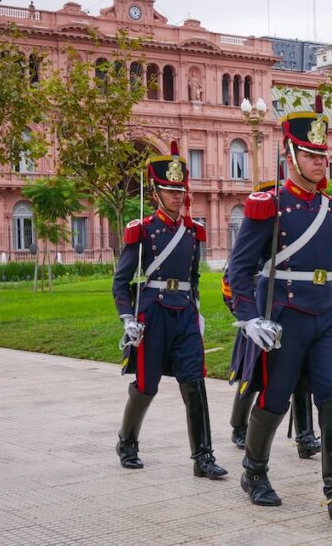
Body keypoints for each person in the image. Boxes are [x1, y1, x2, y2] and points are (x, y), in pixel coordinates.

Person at [227, 96, 332, 520]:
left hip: (327, 315)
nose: (319, 163)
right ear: (290, 154)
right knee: (275, 398)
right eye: (311, 155)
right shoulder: (269, 204)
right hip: (285, 315)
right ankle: (254, 472)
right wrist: (248, 317)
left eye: (322, 155)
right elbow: (238, 270)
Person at [111, 141, 227, 480]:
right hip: (153, 314)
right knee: (147, 385)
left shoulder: (193, 233)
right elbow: (121, 282)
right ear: (156, 191)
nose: (177, 196)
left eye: (180, 189)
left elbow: (193, 278)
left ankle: (203, 457)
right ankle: (127, 442)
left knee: (194, 382)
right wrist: (127, 318)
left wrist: (199, 311)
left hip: (185, 313)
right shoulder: (143, 230)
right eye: (169, 190)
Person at [222, 182, 320, 460]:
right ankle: (239, 426)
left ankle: (305, 435)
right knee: (251, 377)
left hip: (284, 311)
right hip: (255, 315)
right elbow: (230, 282)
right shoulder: (253, 245)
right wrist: (246, 317)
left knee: (299, 376)